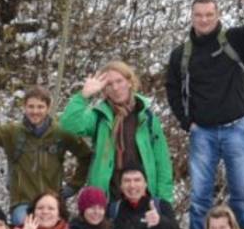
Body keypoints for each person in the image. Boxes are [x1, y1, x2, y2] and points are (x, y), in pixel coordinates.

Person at [165, 0, 244, 229]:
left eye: (209, 14)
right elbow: (172, 89)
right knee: (200, 196)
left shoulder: (234, 40)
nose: (204, 19)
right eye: (199, 15)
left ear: (217, 15)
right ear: (191, 17)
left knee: (242, 194)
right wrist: (187, 122)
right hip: (203, 133)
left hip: (237, 128)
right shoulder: (181, 54)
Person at [0, 84, 93, 222]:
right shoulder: (13, 132)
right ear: (24, 107)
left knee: (57, 228)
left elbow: (85, 155)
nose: (35, 111)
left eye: (40, 107)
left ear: (48, 108)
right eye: (31, 106)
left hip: (51, 200)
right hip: (23, 202)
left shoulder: (60, 133)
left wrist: (73, 186)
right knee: (25, 224)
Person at [58, 61, 173, 201]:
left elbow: (162, 161)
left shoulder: (146, 116)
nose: (115, 88)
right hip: (108, 197)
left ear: (129, 82)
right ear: (104, 90)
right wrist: (83, 96)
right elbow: (69, 125)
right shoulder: (99, 116)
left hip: (143, 196)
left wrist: (164, 201)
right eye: (109, 84)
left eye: (119, 81)